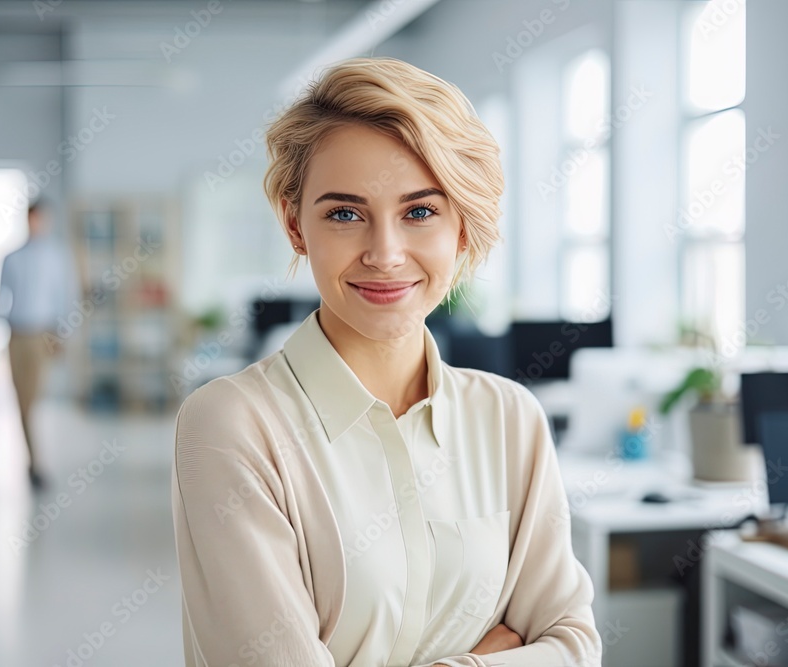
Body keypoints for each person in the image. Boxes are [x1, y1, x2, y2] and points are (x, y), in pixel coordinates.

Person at [171, 57, 601, 667]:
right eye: (344, 214)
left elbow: (575, 648)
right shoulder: (233, 426)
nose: (385, 253)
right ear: (296, 226)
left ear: (460, 226)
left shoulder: (509, 419)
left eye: (420, 212)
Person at [0, 197, 79, 490]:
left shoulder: (58, 256)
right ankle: (34, 463)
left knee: (33, 402)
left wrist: (63, 336)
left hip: (43, 336)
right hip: (16, 335)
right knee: (22, 402)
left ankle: (35, 462)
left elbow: (66, 297)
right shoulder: (11, 258)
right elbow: (1, 300)